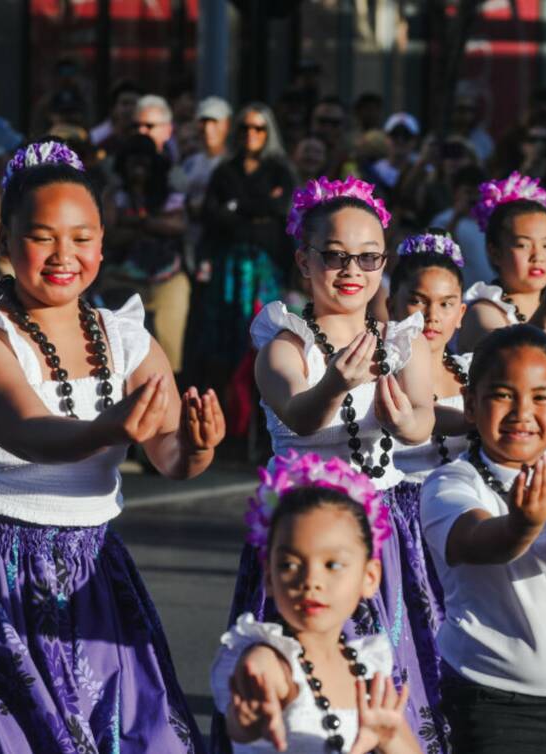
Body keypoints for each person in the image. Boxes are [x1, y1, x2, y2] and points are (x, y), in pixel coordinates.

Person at [0, 140, 225, 753]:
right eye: (42, 236)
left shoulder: (125, 338)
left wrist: (200, 446)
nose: (63, 256)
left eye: (81, 238)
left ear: (103, 243)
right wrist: (113, 427)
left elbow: (170, 457)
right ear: (3, 240)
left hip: (95, 573)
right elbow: (29, 431)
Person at [216, 176, 447, 754]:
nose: (352, 270)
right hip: (306, 530)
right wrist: (337, 384)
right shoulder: (286, 342)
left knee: (391, 674)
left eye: (368, 257)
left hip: (386, 529)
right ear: (304, 260)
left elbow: (424, 418)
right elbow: (297, 414)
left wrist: (403, 425)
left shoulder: (402, 339)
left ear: (384, 263)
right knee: (306, 675)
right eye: (335, 256)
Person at [420, 325, 546, 754]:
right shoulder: (450, 482)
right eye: (502, 394)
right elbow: (473, 542)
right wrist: (522, 525)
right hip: (495, 707)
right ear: (472, 405)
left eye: (541, 396)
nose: (521, 411)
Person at [214, 452, 422, 754]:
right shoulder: (268, 661)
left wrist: (389, 739)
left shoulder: (367, 663)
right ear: (269, 578)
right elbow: (251, 698)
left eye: (333, 565)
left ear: (369, 576)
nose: (311, 581)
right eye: (290, 565)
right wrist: (248, 722)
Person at [196, 103, 295, 398]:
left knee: (264, 334)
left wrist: (236, 206)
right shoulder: (225, 170)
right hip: (228, 265)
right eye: (245, 128)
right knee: (224, 338)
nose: (251, 134)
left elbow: (281, 208)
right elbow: (211, 215)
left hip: (267, 265)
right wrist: (258, 205)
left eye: (258, 128)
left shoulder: (280, 170)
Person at [458, 173, 546, 352]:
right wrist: (543, 321)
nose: (538, 256)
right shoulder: (483, 312)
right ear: (495, 252)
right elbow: (502, 363)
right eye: (523, 245)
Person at [100, 134, 191, 377]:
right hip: (122, 278)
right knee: (125, 349)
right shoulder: (113, 194)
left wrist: (134, 221)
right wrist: (151, 224)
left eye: (144, 161)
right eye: (133, 161)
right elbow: (109, 235)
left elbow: (177, 226)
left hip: (167, 277)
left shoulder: (168, 192)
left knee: (170, 350)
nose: (138, 167)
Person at [388, 231, 470, 486]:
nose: (432, 315)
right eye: (417, 301)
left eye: (446, 304)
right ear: (391, 307)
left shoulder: (475, 370)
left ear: (461, 313)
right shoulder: (379, 377)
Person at [182, 96, 232, 272]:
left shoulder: (232, 164)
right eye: (203, 122)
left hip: (220, 244)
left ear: (226, 125)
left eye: (214, 122)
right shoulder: (189, 163)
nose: (207, 129)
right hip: (190, 242)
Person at [429, 165, 491, 288]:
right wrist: (456, 218)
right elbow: (440, 255)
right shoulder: (442, 220)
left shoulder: (488, 222)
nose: (474, 198)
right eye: (468, 192)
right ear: (455, 192)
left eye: (478, 193)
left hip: (490, 293)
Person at [91, 79, 142, 153]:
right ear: (113, 108)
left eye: (134, 104)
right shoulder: (97, 139)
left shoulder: (148, 139)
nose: (130, 109)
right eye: (125, 103)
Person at [133, 94, 176, 160]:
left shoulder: (177, 165)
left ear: (167, 130)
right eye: (137, 125)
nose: (141, 130)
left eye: (149, 126)